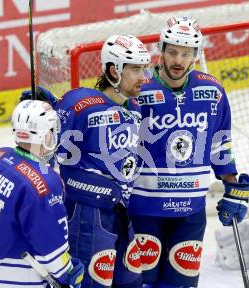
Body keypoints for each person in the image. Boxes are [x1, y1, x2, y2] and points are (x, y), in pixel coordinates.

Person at [129, 16, 249, 287]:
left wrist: (233, 187)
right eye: (173, 51)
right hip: (144, 209)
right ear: (160, 50)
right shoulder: (139, 89)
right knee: (142, 283)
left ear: (196, 55)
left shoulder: (213, 91)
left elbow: (220, 146)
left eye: (186, 53)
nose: (178, 60)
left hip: (190, 212)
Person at [22, 35, 152, 287]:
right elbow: (45, 154)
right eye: (136, 69)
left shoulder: (134, 109)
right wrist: (43, 116)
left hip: (121, 212)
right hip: (87, 214)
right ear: (114, 70)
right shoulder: (79, 104)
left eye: (144, 68)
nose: (144, 77)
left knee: (131, 282)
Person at [0, 100, 84, 287]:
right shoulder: (47, 182)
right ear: (44, 134)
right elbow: (51, 248)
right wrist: (68, 272)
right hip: (16, 281)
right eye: (52, 130)